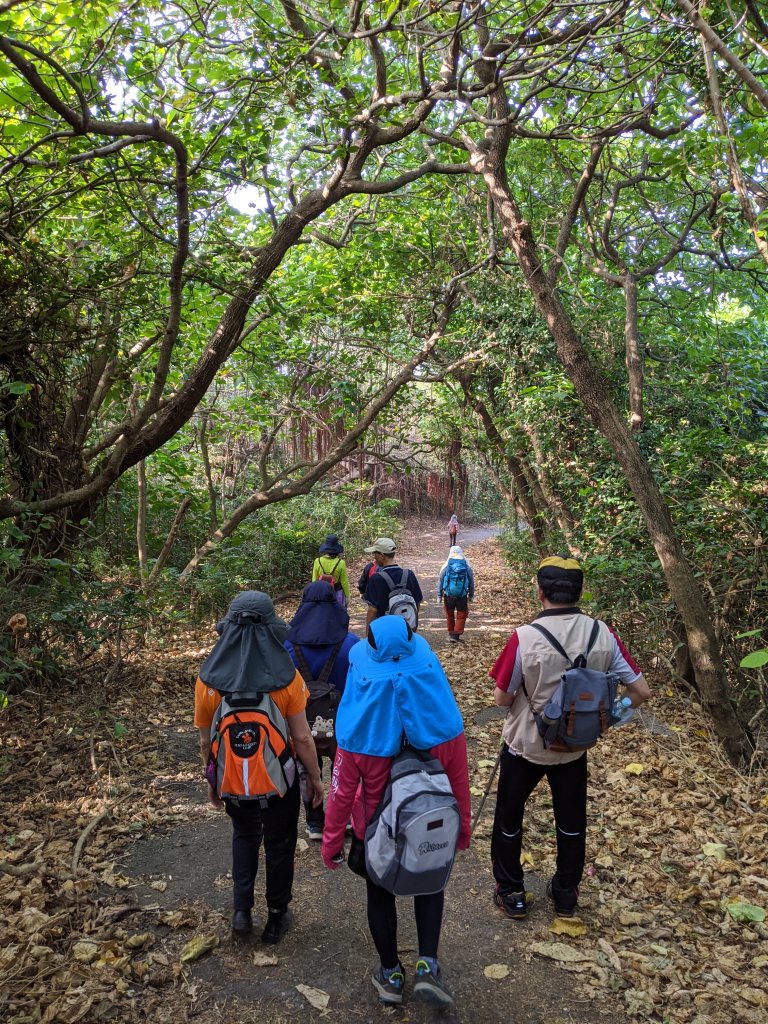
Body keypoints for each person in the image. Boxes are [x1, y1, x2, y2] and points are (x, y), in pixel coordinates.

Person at [489, 555, 650, 920]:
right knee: (572, 822)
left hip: (525, 746)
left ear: (540, 591)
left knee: (510, 818)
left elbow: (502, 699)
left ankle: (511, 891)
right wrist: (608, 719)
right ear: (581, 591)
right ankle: (565, 894)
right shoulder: (602, 634)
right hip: (576, 748)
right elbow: (640, 691)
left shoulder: (525, 637)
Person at [321, 616, 471, 1009]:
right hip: (430, 828)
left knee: (379, 894)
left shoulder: (356, 732)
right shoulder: (444, 722)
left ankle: (390, 975)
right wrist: (463, 829)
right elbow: (459, 781)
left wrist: (332, 842)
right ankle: (427, 965)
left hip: (377, 833)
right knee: (431, 888)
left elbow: (340, 793)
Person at [194, 591, 324, 944]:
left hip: (232, 778)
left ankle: (241, 912)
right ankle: (277, 918)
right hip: (278, 781)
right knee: (279, 843)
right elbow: (302, 738)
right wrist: (314, 779)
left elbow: (207, 743)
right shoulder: (287, 679)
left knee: (244, 835)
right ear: (270, 629)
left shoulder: (207, 681)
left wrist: (211, 780)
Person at [284, 581, 360, 839]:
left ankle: (315, 823)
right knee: (344, 769)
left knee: (306, 769)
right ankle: (345, 820)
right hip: (342, 721)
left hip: (301, 722)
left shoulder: (287, 646)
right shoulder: (351, 644)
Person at [361, 536, 423, 635]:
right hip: (406, 629)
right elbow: (417, 602)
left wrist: (368, 635)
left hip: (385, 630)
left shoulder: (376, 579)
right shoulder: (409, 574)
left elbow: (372, 610)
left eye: (375, 553)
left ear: (382, 555)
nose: (374, 557)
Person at [437, 544, 475, 643]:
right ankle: (456, 635)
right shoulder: (466, 565)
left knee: (449, 613)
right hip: (462, 594)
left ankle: (450, 633)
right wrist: (471, 595)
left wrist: (439, 595)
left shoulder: (447, 565)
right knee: (461, 613)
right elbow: (471, 581)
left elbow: (441, 580)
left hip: (448, 594)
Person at [311, 534, 350, 607]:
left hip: (322, 593)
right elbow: (344, 582)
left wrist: (314, 594)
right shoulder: (341, 563)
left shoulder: (317, 561)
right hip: (337, 593)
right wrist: (347, 596)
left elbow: (314, 580)